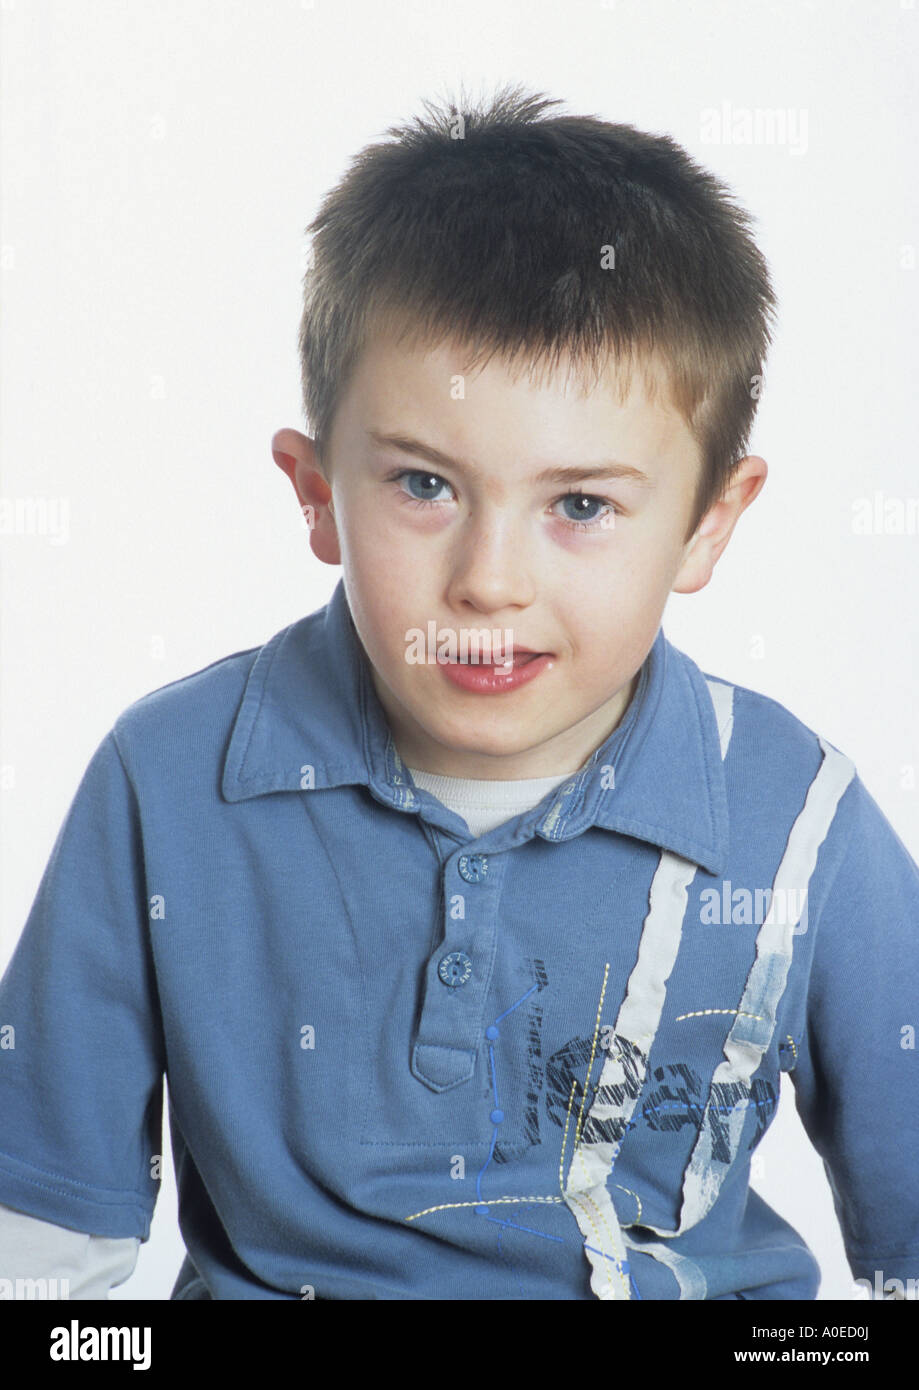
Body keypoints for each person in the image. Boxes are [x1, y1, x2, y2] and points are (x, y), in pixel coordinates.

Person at [1, 84, 917, 1302]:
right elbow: (38, 1251)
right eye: (424, 486)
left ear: (708, 522)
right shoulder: (164, 779)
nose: (488, 582)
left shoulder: (798, 821)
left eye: (580, 506)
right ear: (316, 488)